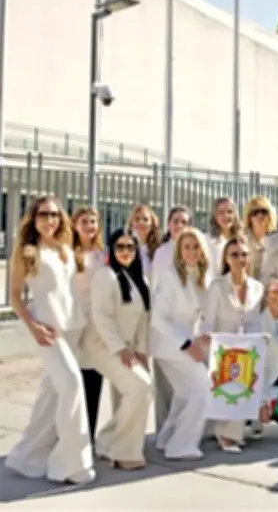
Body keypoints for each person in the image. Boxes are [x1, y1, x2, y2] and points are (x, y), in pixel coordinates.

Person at [5, 195, 94, 484]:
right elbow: (14, 297)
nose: (49, 220)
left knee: (51, 394)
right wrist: (33, 326)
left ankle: (27, 456)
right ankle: (71, 465)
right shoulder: (27, 251)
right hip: (47, 329)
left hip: (71, 327)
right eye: (43, 214)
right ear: (33, 218)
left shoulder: (64, 247)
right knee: (72, 385)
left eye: (54, 214)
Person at [83, 228, 152, 470]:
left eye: (130, 247)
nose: (125, 252)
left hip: (128, 347)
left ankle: (108, 441)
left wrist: (141, 351)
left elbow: (144, 320)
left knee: (140, 390)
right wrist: (120, 348)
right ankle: (121, 450)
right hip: (102, 345)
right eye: (120, 247)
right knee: (140, 386)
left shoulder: (140, 280)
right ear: (111, 250)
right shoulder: (105, 276)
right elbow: (101, 316)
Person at [201, 235, 274, 453]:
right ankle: (227, 434)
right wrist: (208, 338)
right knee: (231, 384)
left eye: (244, 254)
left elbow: (255, 320)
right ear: (226, 258)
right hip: (221, 347)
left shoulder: (257, 287)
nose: (240, 259)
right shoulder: (217, 286)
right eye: (234, 254)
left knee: (263, 364)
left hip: (246, 347)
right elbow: (208, 321)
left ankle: (240, 427)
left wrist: (261, 338)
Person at [149, 227, 211, 460]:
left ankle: (166, 439)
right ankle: (182, 445)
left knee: (186, 393)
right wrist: (187, 345)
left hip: (185, 342)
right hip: (169, 345)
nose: (192, 251)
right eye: (186, 247)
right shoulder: (170, 276)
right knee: (203, 388)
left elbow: (199, 315)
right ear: (179, 251)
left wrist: (202, 336)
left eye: (196, 247)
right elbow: (158, 318)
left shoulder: (200, 276)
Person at [149, 205, 192, 433]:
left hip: (187, 327)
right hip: (165, 325)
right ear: (168, 224)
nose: (179, 225)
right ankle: (162, 431)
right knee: (164, 385)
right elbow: (156, 289)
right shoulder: (162, 253)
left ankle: (179, 430)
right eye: (176, 221)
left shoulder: (194, 249)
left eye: (184, 221)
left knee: (183, 386)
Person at [71, 206, 107, 445]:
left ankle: (88, 437)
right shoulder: (68, 253)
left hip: (97, 324)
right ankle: (70, 435)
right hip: (75, 322)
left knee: (94, 378)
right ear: (74, 225)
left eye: (93, 221)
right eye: (84, 221)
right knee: (73, 381)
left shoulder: (103, 254)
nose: (89, 226)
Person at [241, 196, 277, 279]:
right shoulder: (242, 240)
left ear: (269, 215)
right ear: (249, 216)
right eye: (255, 212)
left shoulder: (277, 239)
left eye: (264, 211)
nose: (260, 215)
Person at [205, 197, 242, 277]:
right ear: (214, 216)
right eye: (221, 212)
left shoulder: (242, 239)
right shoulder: (206, 240)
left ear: (235, 215)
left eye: (230, 212)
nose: (226, 216)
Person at [127, 203, 161, 279]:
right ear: (131, 224)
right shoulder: (123, 248)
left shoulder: (159, 250)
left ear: (152, 224)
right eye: (137, 219)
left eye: (145, 219)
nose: (141, 222)